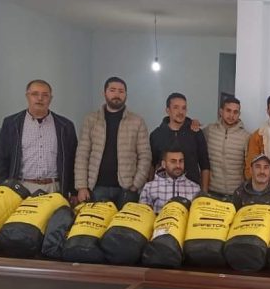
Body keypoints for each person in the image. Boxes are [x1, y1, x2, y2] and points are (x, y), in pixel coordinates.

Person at [75, 76, 151, 209]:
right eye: (112, 90)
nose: (117, 94)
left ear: (126, 95)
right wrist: (82, 187)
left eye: (121, 91)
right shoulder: (91, 120)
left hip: (127, 189)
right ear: (104, 93)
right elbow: (82, 155)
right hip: (97, 187)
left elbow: (145, 156)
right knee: (97, 222)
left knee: (125, 222)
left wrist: (136, 185)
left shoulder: (137, 121)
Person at [0, 79, 78, 197]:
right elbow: (1, 159)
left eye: (45, 95)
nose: (40, 98)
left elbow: (73, 160)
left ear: (51, 99)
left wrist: (73, 191)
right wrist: (2, 189)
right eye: (35, 94)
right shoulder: (12, 123)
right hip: (21, 187)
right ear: (27, 96)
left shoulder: (65, 125)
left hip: (54, 188)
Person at [150, 93, 209, 191]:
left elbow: (205, 165)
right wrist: (151, 188)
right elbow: (153, 164)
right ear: (168, 110)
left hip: (191, 191)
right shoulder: (156, 135)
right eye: (176, 107)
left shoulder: (196, 132)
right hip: (163, 191)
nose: (180, 112)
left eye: (183, 108)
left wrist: (204, 192)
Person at [203, 96, 250, 197]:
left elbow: (249, 167)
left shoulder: (246, 137)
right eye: (228, 110)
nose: (231, 115)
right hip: (212, 192)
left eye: (235, 112)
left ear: (239, 114)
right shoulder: (209, 131)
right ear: (221, 111)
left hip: (236, 194)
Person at [140, 145, 200, 213]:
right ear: (163, 164)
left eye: (181, 161)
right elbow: (143, 216)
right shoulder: (149, 188)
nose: (178, 165)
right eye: (173, 161)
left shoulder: (195, 189)